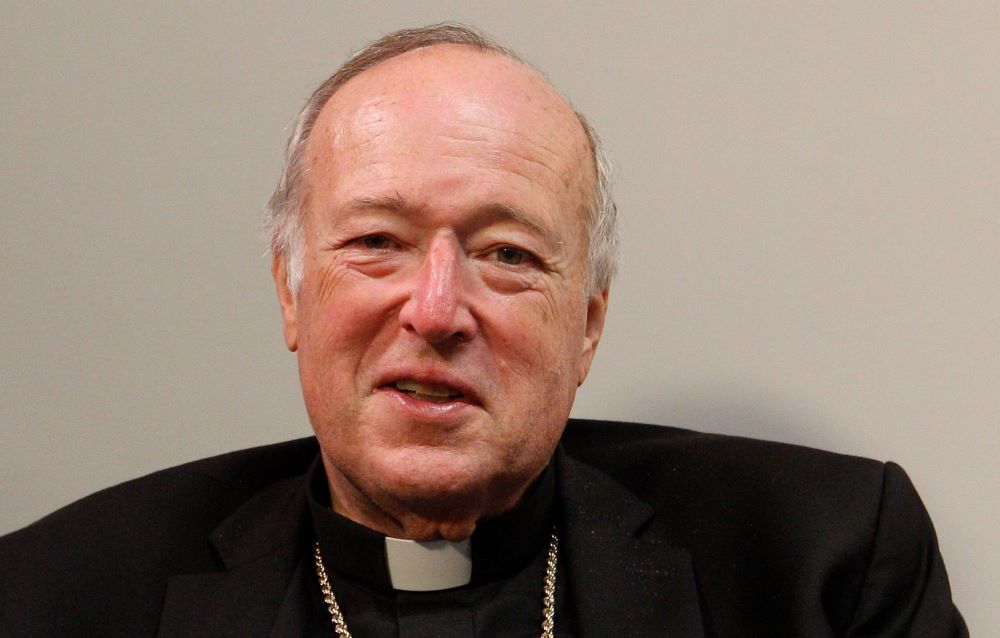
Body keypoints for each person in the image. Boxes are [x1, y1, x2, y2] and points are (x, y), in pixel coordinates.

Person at [0, 23, 967, 637]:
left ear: (586, 330)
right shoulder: (55, 598)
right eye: (378, 240)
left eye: (508, 255)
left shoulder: (822, 568)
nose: (435, 309)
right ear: (292, 296)